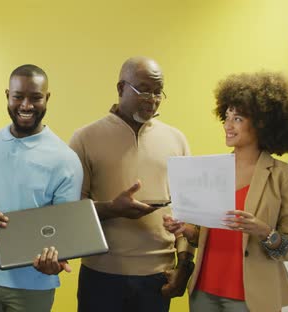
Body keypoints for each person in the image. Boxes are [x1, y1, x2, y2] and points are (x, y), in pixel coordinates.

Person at [69, 56, 194, 312]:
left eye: (158, 92)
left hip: (157, 277)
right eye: (144, 90)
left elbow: (188, 212)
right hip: (101, 274)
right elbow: (71, 210)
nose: (152, 99)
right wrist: (113, 209)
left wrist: (184, 266)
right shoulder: (85, 138)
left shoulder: (176, 140)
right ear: (120, 88)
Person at [163, 71, 288, 311]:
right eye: (226, 117)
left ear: (262, 122)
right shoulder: (211, 170)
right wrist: (187, 230)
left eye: (238, 118)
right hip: (204, 291)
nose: (228, 125)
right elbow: (204, 234)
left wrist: (264, 231)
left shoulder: (284, 176)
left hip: (251, 297)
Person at [0, 64, 84, 312]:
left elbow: (65, 233)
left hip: (34, 284)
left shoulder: (65, 159)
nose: (26, 105)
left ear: (47, 98)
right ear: (7, 96)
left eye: (35, 97)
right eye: (18, 97)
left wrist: (55, 264)